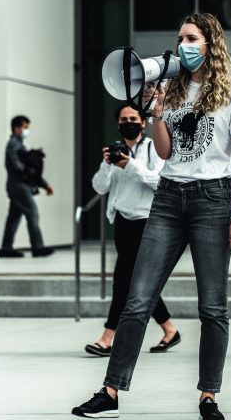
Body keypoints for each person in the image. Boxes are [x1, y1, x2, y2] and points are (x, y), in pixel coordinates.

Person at [72, 12, 231, 420]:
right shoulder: (171, 90)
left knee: (213, 307)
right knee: (137, 299)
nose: (182, 46)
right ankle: (111, 390)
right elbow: (166, 152)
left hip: (213, 199)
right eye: (180, 38)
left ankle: (209, 396)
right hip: (169, 197)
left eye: (191, 38)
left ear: (210, 43)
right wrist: (156, 112)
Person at [85, 104, 180, 357]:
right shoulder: (115, 151)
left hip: (146, 222)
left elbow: (160, 182)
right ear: (118, 124)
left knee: (124, 280)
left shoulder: (153, 148)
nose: (129, 123)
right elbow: (99, 188)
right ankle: (169, 329)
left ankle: (107, 337)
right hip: (122, 222)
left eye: (133, 118)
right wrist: (108, 164)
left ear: (143, 122)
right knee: (139, 282)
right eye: (124, 119)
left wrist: (130, 165)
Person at [0, 115, 54, 258]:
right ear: (16, 128)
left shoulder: (18, 144)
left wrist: (42, 183)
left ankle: (6, 248)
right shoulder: (14, 144)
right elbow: (19, 167)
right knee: (32, 213)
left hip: (17, 186)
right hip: (19, 187)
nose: (27, 130)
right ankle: (37, 247)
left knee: (13, 218)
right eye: (25, 127)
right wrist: (41, 181)